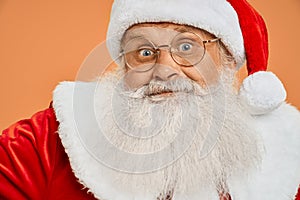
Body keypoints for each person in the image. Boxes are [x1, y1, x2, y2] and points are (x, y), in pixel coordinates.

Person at [1, 0, 300, 199]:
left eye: (186, 47)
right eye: (143, 52)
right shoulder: (50, 140)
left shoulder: (287, 152)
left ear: (225, 59)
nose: (164, 70)